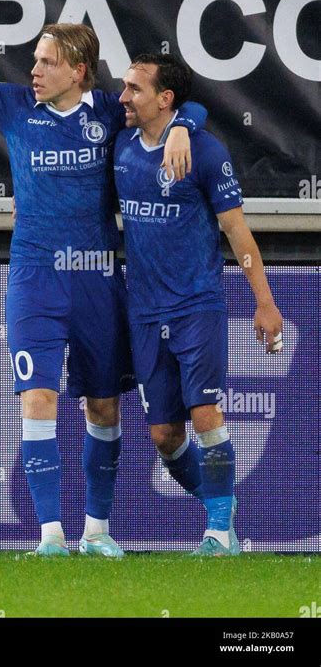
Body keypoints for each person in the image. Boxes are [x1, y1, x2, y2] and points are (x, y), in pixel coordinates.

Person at [0, 0, 207, 557]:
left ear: (79, 70)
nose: (33, 70)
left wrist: (184, 125)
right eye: (34, 60)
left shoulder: (110, 111)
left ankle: (97, 534)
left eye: (46, 62)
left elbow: (183, 101)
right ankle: (50, 537)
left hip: (98, 279)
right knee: (38, 397)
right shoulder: (12, 107)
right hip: (34, 276)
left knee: (103, 406)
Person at [114, 53, 283, 555]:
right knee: (165, 436)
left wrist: (265, 303)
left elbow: (237, 232)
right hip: (143, 309)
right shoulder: (121, 146)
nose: (123, 96)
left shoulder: (206, 153)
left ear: (165, 99)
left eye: (134, 89)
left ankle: (218, 531)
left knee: (205, 410)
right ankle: (222, 511)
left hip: (197, 305)